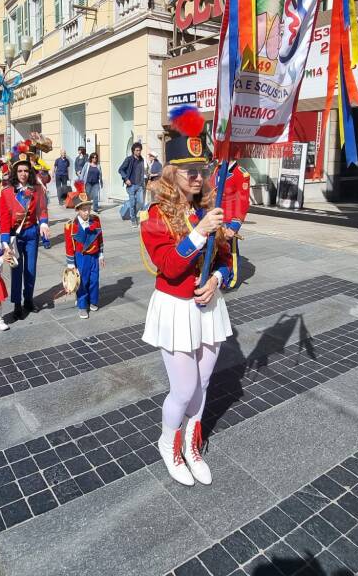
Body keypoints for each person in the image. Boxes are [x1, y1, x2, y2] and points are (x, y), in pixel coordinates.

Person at [141, 118, 232, 487]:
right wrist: (198, 232)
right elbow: (168, 266)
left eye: (202, 170)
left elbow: (227, 259)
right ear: (171, 174)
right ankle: (168, 443)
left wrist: (216, 279)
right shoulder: (155, 216)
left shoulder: (205, 209)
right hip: (176, 308)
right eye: (188, 171)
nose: (197, 177)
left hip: (209, 306)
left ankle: (192, 443)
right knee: (183, 389)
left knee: (205, 382)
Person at [0, 152, 50, 319]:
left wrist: (43, 222)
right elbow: (4, 217)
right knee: (16, 270)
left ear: (30, 172)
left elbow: (42, 209)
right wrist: (5, 241)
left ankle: (28, 299)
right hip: (15, 236)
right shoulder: (6, 192)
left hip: (31, 233)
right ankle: (17, 304)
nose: (23, 174)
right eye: (20, 171)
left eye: (26, 171)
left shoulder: (37, 190)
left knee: (31, 269)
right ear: (15, 172)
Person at [64, 193, 105, 319]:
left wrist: (101, 254)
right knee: (82, 281)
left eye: (88, 209)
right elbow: (69, 246)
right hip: (81, 257)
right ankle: (82, 306)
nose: (87, 212)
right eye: (84, 210)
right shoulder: (70, 225)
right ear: (77, 210)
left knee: (94, 280)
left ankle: (92, 301)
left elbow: (100, 238)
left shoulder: (96, 219)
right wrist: (71, 265)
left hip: (94, 256)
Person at [212, 160, 251, 287]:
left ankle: (230, 279)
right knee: (215, 250)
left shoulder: (241, 174)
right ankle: (217, 275)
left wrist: (234, 227)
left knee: (230, 251)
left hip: (229, 221)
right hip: (216, 218)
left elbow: (243, 203)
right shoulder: (217, 169)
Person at [118, 142, 147, 227]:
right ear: (133, 151)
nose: (139, 152)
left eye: (140, 150)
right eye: (137, 150)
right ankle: (133, 219)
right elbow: (120, 170)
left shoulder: (142, 159)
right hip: (131, 185)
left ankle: (133, 214)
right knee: (132, 203)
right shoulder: (129, 159)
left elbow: (142, 171)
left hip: (140, 185)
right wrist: (126, 179)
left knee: (141, 202)